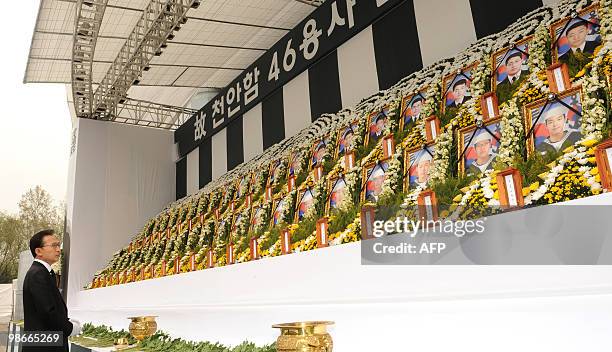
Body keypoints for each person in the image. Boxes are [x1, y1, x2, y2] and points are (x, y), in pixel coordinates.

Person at [23, 229, 80, 352]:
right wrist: (69, 328)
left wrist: (66, 320)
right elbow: (47, 312)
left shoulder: (43, 272)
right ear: (38, 251)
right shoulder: (38, 274)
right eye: (54, 246)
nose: (59, 250)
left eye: (59, 245)